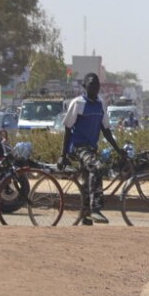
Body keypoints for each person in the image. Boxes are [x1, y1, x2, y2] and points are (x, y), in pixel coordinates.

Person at [61, 73, 126, 224]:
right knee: (96, 167)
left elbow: (106, 130)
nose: (95, 88)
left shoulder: (101, 104)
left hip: (92, 148)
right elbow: (68, 129)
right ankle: (95, 209)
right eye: (91, 85)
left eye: (97, 85)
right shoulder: (77, 103)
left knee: (87, 182)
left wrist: (118, 149)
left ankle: (85, 216)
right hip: (79, 147)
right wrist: (63, 155)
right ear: (85, 86)